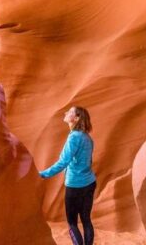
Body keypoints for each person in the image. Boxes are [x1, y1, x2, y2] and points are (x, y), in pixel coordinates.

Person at [39, 105, 96, 245]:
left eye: (70, 112)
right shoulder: (87, 138)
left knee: (72, 223)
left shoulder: (74, 137)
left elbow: (63, 162)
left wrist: (42, 174)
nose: (66, 113)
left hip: (75, 185)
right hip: (89, 183)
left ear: (76, 118)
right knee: (86, 220)